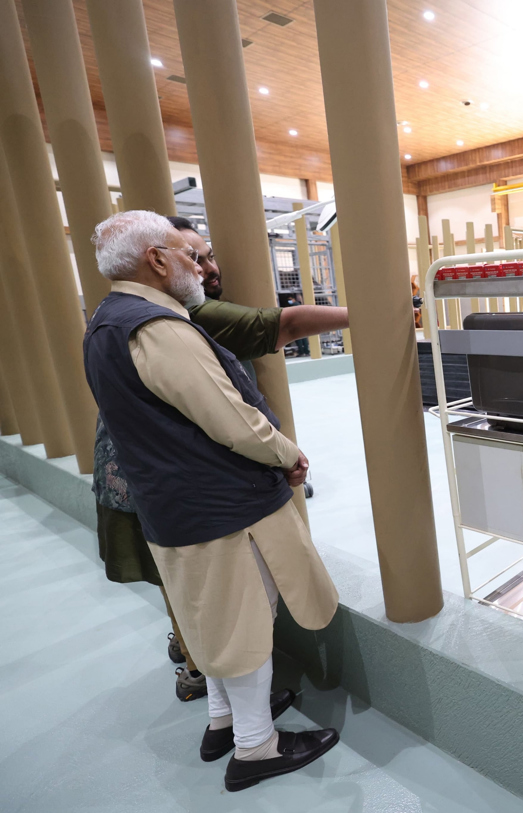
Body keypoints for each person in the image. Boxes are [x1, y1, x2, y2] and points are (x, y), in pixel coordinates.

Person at [85, 211, 340, 791]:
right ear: (156, 260)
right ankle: (256, 749)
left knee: (214, 618)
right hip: (223, 505)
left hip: (173, 505)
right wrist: (285, 454)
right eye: (187, 253)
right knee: (246, 619)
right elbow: (230, 419)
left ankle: (224, 720)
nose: (199, 266)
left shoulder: (105, 320)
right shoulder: (159, 328)